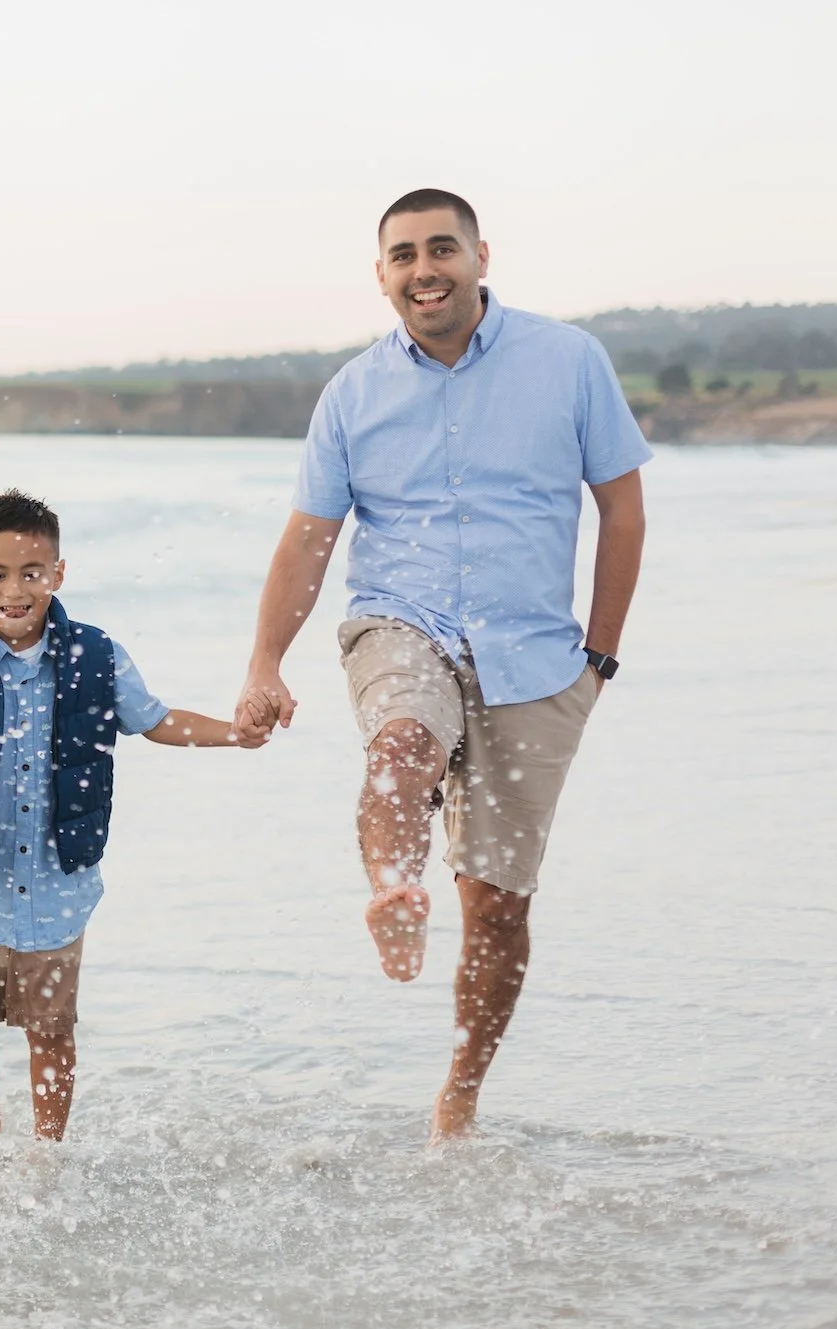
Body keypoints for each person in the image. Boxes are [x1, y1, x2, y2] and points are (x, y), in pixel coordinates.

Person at [234, 189, 650, 1142]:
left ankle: (459, 1091)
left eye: (441, 249)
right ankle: (393, 886)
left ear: (480, 256)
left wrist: (601, 655)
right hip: (401, 619)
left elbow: (621, 511)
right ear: (381, 276)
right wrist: (265, 662)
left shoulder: (570, 360)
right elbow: (308, 540)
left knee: (498, 906)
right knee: (404, 737)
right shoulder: (352, 393)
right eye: (403, 255)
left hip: (538, 658)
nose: (425, 269)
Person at [0, 490, 274, 1149]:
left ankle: (49, 1148)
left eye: (32, 573)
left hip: (56, 888)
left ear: (59, 573)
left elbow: (156, 720)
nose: (16, 590)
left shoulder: (95, 656)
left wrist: (232, 733)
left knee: (52, 1024)